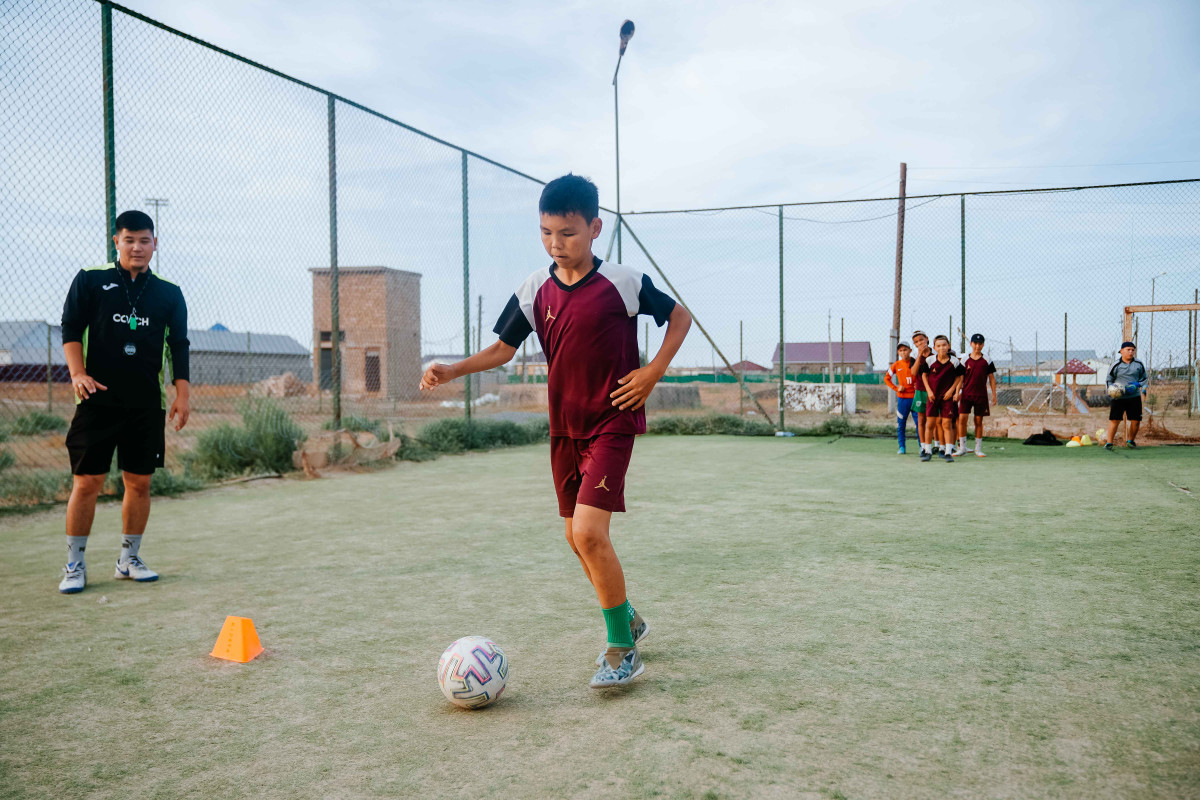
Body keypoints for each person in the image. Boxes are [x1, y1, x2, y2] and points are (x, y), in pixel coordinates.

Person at [419, 175, 692, 688]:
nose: (555, 243)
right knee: (575, 537)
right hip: (564, 430)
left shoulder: (624, 281)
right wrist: (452, 370)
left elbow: (679, 318)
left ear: (594, 228)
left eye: (566, 233)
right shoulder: (534, 290)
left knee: (590, 532)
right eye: (546, 233)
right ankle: (628, 615)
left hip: (612, 421)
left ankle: (622, 648)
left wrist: (653, 372)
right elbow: (503, 349)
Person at [58, 210, 191, 594]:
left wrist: (182, 394)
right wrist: (77, 373)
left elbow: (178, 345)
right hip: (97, 400)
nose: (137, 247)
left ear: (155, 244)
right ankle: (74, 565)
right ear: (116, 241)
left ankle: (128, 559)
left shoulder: (169, 292)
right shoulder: (91, 279)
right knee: (88, 482)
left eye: (144, 240)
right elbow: (70, 327)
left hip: (146, 404)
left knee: (140, 482)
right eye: (129, 239)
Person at [920, 335, 963, 463]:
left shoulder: (954, 361)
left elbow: (959, 377)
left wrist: (951, 390)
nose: (942, 348)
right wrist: (928, 390)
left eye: (944, 345)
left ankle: (948, 452)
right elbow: (924, 375)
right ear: (934, 347)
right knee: (930, 424)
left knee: (947, 424)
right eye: (938, 346)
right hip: (933, 397)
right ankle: (927, 451)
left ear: (948, 346)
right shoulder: (929, 360)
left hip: (947, 398)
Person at [954, 333, 998, 457]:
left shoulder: (987, 360)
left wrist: (994, 395)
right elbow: (960, 378)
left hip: (981, 395)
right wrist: (957, 392)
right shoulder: (965, 359)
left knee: (978, 421)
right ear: (971, 344)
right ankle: (962, 447)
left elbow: (992, 379)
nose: (977, 346)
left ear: (983, 345)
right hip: (966, 395)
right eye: (975, 343)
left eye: (980, 344)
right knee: (962, 419)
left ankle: (977, 449)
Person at [1105, 341, 1147, 451]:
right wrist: (1111, 392)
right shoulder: (1115, 365)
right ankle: (1109, 443)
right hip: (1118, 398)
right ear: (1121, 351)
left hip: (1134, 397)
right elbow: (1109, 380)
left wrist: (1137, 385)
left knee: (1135, 421)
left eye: (1133, 350)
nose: (1131, 352)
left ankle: (1130, 441)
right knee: (1115, 420)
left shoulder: (1139, 364)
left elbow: (1144, 378)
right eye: (1128, 350)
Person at [884, 341, 919, 454]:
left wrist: (918, 385)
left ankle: (922, 447)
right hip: (902, 399)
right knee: (901, 424)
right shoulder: (896, 365)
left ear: (910, 350)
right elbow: (886, 379)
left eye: (905, 350)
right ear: (898, 352)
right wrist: (896, 388)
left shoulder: (916, 362)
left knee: (919, 424)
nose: (903, 352)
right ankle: (902, 447)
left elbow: (923, 376)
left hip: (915, 398)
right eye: (901, 350)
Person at [910, 330, 933, 453]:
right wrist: (919, 355)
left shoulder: (935, 353)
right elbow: (913, 372)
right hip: (920, 390)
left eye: (921, 340)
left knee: (936, 419)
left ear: (927, 339)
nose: (919, 343)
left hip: (934, 391)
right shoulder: (914, 355)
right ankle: (923, 446)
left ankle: (939, 446)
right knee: (921, 419)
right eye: (916, 342)